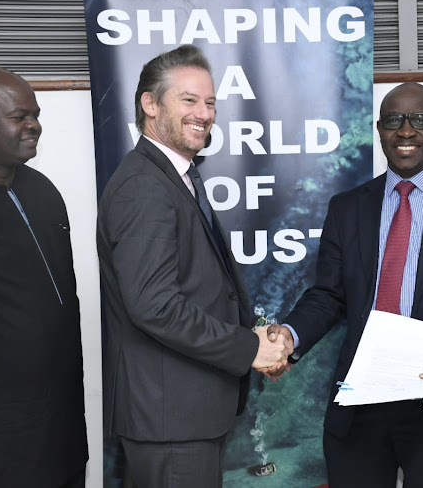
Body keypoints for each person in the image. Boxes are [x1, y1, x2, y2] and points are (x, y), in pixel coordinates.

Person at [264, 82, 423, 487]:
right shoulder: (348, 207)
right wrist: (290, 336)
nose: (406, 131)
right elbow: (328, 295)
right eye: (393, 121)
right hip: (360, 405)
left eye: (420, 120)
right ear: (379, 130)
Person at [97, 44, 290, 488]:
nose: (203, 113)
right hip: (170, 421)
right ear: (150, 103)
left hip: (184, 417)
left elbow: (200, 289)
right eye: (188, 100)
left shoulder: (173, 176)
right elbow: (155, 305)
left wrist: (254, 341)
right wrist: (247, 348)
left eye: (209, 103)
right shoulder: (145, 186)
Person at [0, 65, 88, 487]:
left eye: (37, 114)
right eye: (20, 116)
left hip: (60, 434)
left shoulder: (44, 191)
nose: (35, 126)